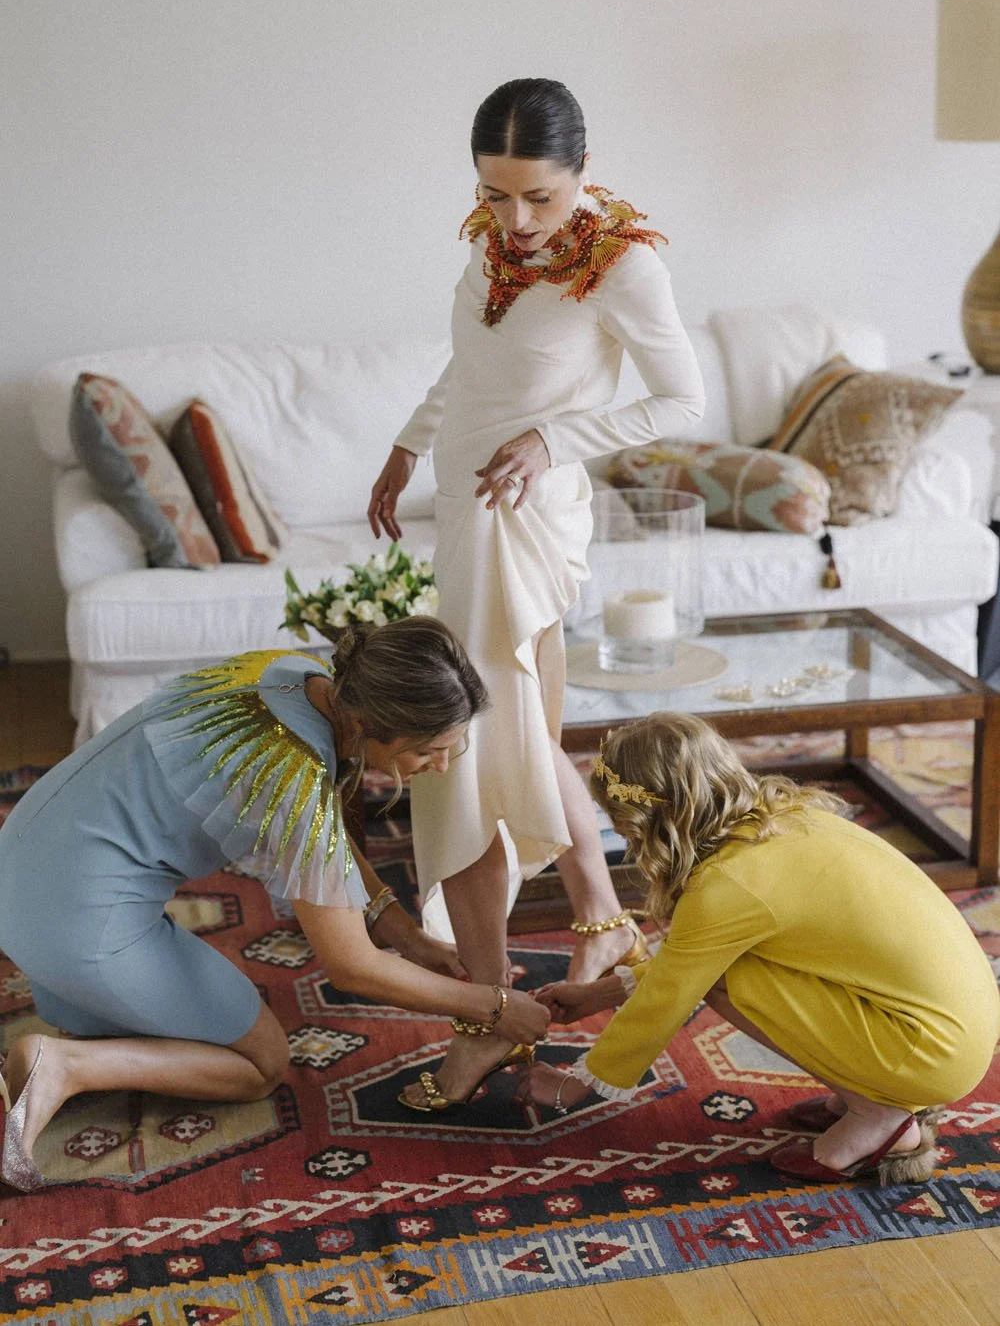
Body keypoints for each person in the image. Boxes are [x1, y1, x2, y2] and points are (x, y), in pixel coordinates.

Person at [367, 78, 705, 1110]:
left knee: (461, 740)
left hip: (528, 510)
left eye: (539, 199)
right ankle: (601, 917)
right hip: (468, 502)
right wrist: (402, 449)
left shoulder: (624, 264)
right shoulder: (493, 241)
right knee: (516, 728)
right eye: (495, 192)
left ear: (582, 177)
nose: (514, 220)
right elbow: (473, 369)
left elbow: (682, 398)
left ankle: (485, 1003)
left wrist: (553, 440)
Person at [0, 618, 549, 1192]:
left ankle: (87, 1031)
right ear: (367, 723)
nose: (441, 765)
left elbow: (322, 833)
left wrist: (404, 932)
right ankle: (61, 1067)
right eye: (429, 750)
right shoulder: (295, 773)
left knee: (180, 1023)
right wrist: (494, 1005)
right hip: (77, 921)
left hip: (24, 862)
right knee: (261, 1062)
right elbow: (352, 965)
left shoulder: (290, 672)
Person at [519, 712, 1000, 1185]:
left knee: (730, 980)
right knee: (733, 965)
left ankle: (880, 1115)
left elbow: (668, 996)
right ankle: (863, 1088)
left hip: (929, 1050)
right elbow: (689, 962)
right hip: (960, 1024)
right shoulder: (785, 818)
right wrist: (596, 997)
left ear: (644, 822)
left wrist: (574, 1083)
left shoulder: (725, 885)